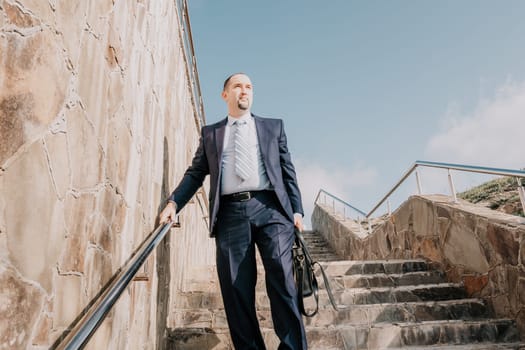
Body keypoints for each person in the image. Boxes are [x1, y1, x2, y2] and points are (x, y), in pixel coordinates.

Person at [159, 73, 307, 349]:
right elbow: (195, 174)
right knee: (236, 290)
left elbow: (288, 172)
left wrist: (296, 210)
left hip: (272, 210)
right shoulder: (211, 133)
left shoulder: (273, 127)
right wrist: (173, 203)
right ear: (225, 95)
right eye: (238, 86)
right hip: (230, 214)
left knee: (283, 279)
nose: (244, 91)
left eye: (249, 86)